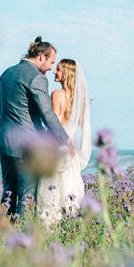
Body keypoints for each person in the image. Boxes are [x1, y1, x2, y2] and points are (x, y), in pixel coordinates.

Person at [0, 37, 75, 216]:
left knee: (8, 192)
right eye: (50, 62)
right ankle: (22, 240)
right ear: (41, 57)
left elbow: (1, 110)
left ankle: (1, 235)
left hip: (4, 141)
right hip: (27, 146)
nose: (51, 68)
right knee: (27, 196)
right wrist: (66, 140)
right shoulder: (37, 78)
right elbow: (48, 115)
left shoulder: (6, 74)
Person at [36, 59, 92, 225]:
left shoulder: (57, 94)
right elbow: (81, 127)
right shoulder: (79, 102)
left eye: (59, 70)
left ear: (66, 74)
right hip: (71, 151)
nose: (54, 72)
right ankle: (70, 224)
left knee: (51, 193)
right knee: (69, 190)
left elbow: (55, 124)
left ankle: (51, 227)